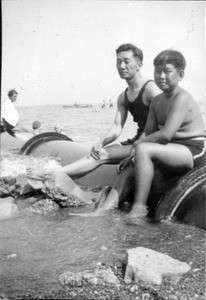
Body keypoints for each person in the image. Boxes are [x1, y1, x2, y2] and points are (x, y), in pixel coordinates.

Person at [27, 44, 160, 181]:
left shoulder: (151, 89)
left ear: (139, 64)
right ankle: (54, 174)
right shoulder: (123, 97)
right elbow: (117, 126)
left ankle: (50, 174)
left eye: (126, 61)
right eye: (118, 62)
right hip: (136, 141)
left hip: (149, 143)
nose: (121, 66)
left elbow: (165, 123)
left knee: (101, 156)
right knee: (98, 153)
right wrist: (100, 142)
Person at [116, 49, 205, 224]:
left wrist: (136, 147)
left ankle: (139, 207)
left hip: (194, 150)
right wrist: (133, 153)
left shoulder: (182, 97)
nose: (161, 76)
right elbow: (148, 132)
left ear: (180, 74)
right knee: (134, 160)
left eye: (167, 71)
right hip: (174, 147)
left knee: (142, 148)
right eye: (157, 71)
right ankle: (107, 205)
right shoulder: (157, 101)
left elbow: (165, 135)